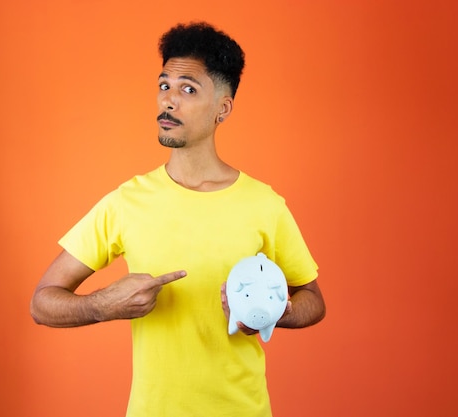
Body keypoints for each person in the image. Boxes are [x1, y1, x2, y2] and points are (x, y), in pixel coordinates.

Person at [30, 21, 325, 417]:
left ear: (223, 108)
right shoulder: (127, 202)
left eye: (188, 89)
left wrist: (273, 313)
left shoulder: (264, 204)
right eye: (164, 85)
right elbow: (42, 302)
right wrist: (103, 305)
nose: (168, 101)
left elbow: (313, 301)